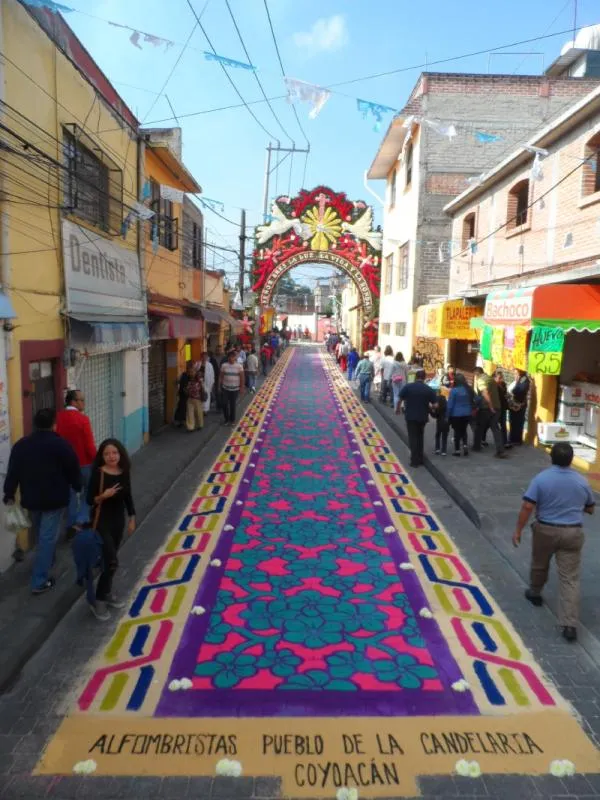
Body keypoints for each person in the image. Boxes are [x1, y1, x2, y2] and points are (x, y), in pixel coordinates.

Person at [512, 442, 595, 643]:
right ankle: (569, 624)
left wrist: (518, 530)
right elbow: (591, 508)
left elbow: (527, 506)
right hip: (572, 533)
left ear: (551, 458)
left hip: (545, 530)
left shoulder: (541, 479)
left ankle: (535, 592)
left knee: (540, 563)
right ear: (571, 459)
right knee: (570, 578)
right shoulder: (581, 481)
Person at [3, 409, 81, 595]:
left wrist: (9, 492)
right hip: (54, 500)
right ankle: (39, 580)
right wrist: (78, 486)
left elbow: (13, 470)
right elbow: (73, 469)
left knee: (41, 534)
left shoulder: (22, 445)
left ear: (35, 424)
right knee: (47, 538)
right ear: (54, 424)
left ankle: (47, 561)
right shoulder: (61, 445)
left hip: (31, 499)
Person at [87, 439, 136, 621]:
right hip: (101, 522)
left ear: (120, 454)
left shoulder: (123, 472)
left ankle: (106, 591)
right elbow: (89, 500)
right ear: (102, 456)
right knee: (112, 561)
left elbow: (128, 496)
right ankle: (98, 599)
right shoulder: (99, 474)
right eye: (107, 454)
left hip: (118, 521)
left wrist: (132, 517)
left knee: (112, 558)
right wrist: (102, 496)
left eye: (114, 453)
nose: (111, 457)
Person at [56, 389, 96, 537]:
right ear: (74, 402)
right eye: (82, 400)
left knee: (71, 495)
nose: (84, 403)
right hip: (84, 463)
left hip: (64, 466)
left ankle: (71, 524)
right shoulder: (83, 419)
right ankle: (81, 519)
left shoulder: (58, 418)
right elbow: (89, 445)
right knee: (88, 492)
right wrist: (97, 461)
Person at [399, 370, 438, 468]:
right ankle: (420, 458)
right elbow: (436, 405)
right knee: (420, 437)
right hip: (422, 417)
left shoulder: (408, 387)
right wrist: (430, 407)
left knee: (413, 438)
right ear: (424, 378)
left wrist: (397, 409)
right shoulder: (428, 389)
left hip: (410, 416)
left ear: (416, 377)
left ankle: (414, 460)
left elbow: (400, 398)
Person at [473, 367, 506, 458]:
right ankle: (500, 451)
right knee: (495, 428)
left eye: (475, 374)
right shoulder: (490, 378)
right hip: (497, 407)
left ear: (477, 373)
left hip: (487, 408)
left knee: (479, 427)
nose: (475, 377)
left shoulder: (481, 380)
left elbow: (485, 393)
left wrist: (490, 407)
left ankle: (477, 446)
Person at [447, 374, 474, 457]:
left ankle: (457, 450)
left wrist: (447, 415)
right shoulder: (468, 389)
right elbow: (477, 399)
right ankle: (465, 446)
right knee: (464, 430)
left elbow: (450, 405)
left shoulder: (454, 391)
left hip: (456, 414)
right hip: (467, 413)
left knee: (457, 432)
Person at [219, 350, 245, 426]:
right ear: (228, 358)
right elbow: (221, 376)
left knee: (232, 405)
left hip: (235, 389)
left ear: (235, 357)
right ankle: (226, 419)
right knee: (224, 403)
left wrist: (242, 387)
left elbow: (242, 377)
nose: (231, 358)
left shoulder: (239, 366)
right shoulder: (224, 365)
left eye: (233, 357)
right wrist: (219, 386)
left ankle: (232, 420)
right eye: (230, 357)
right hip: (225, 388)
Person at [509, 369, 531, 445]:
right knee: (513, 422)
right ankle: (512, 438)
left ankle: (517, 440)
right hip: (514, 404)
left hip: (519, 405)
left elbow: (516, 391)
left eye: (516, 373)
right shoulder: (520, 380)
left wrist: (517, 382)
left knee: (518, 423)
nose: (514, 374)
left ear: (520, 373)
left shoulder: (524, 381)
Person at [494, 370, 510, 448]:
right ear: (495, 378)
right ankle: (482, 439)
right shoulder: (493, 385)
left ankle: (504, 442)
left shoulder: (503, 384)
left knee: (503, 425)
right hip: (496, 407)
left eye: (501, 377)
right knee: (491, 424)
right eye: (499, 378)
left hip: (502, 407)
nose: (501, 379)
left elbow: (505, 394)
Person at [186, 366, 205, 432]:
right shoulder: (188, 379)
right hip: (190, 398)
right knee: (189, 413)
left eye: (192, 372)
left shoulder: (199, 379)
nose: (191, 373)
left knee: (198, 413)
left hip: (197, 398)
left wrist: (202, 394)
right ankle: (190, 427)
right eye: (190, 372)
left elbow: (202, 388)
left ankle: (200, 424)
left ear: (195, 372)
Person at [431, 390, 449, 456]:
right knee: (444, 436)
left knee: (438, 435)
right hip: (446, 421)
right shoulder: (445, 401)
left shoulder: (436, 401)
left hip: (439, 421)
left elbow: (434, 415)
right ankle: (444, 451)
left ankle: (437, 449)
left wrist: (431, 410)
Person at [175, 362, 193, 427]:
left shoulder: (188, 375)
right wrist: (188, 393)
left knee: (182, 407)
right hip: (183, 394)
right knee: (182, 407)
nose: (192, 370)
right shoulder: (184, 376)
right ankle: (179, 421)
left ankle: (181, 420)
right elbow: (183, 387)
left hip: (185, 393)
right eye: (191, 369)